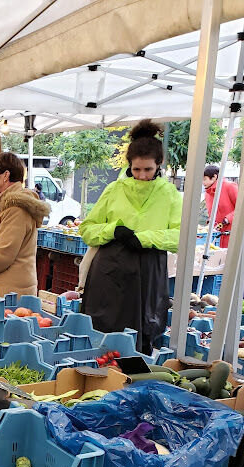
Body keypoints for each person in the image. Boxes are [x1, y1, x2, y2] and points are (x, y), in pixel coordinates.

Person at [80, 119, 182, 355]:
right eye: (136, 169)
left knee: (144, 332)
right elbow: (87, 229)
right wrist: (112, 230)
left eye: (148, 169)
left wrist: (144, 238)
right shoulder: (114, 189)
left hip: (148, 271)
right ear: (129, 165)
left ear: (159, 164)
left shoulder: (170, 194)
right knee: (103, 333)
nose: (142, 175)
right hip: (109, 271)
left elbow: (180, 237)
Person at [0, 152, 49, 297]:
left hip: (10, 295)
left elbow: (1, 256)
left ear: (5, 175)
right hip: (3, 291)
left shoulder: (16, 209)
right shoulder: (7, 206)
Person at [203, 165, 239, 248]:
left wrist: (227, 219)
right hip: (216, 236)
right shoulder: (207, 193)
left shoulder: (230, 186)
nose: (203, 182)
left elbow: (242, 209)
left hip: (233, 234)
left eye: (205, 179)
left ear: (214, 177)